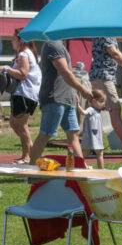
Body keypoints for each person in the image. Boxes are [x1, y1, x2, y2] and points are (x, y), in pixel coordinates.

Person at [29, 40, 93, 164]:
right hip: (55, 98)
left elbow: (62, 75)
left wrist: (72, 92)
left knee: (73, 135)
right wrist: (82, 89)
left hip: (67, 98)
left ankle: (80, 168)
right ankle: (30, 169)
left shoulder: (59, 45)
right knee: (46, 134)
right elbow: (64, 72)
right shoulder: (52, 44)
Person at [88, 36, 122, 155]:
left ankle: (92, 147)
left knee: (96, 112)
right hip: (103, 76)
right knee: (115, 109)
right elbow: (114, 53)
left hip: (102, 75)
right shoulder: (106, 32)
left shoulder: (105, 30)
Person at [4, 28, 41, 164]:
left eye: (14, 39)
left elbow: (23, 74)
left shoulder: (24, 55)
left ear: (21, 41)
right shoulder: (26, 54)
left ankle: (27, 156)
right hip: (23, 94)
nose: (12, 41)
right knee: (14, 123)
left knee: (21, 125)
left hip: (25, 94)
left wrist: (6, 68)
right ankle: (30, 148)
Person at [78, 90, 107, 169]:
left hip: (96, 137)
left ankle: (101, 170)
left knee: (100, 153)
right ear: (93, 101)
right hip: (90, 137)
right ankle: (79, 165)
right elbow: (83, 112)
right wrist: (77, 105)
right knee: (86, 153)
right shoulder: (91, 109)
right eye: (101, 101)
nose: (103, 103)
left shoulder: (97, 111)